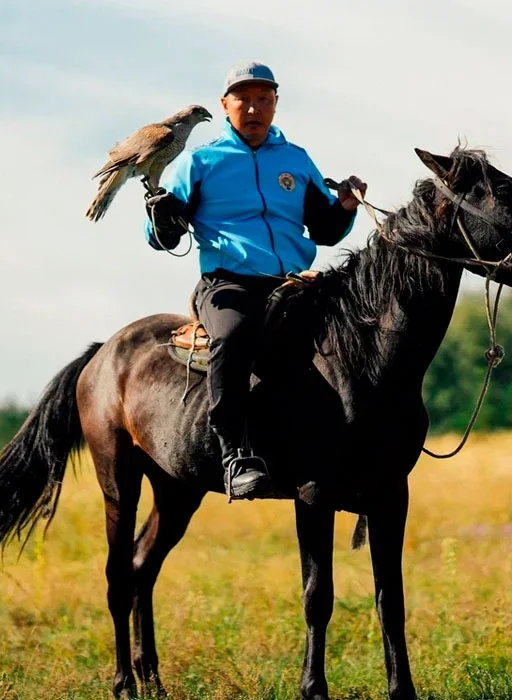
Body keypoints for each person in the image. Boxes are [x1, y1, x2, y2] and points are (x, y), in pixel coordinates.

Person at [143, 61, 367, 501]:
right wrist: (165, 221)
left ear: (276, 104)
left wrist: (343, 207)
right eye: (243, 99)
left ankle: (354, 442)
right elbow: (160, 236)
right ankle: (236, 454)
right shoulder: (199, 161)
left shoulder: (295, 160)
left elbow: (322, 229)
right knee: (235, 336)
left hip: (293, 283)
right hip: (229, 284)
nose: (254, 108)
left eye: (264, 99)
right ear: (225, 106)